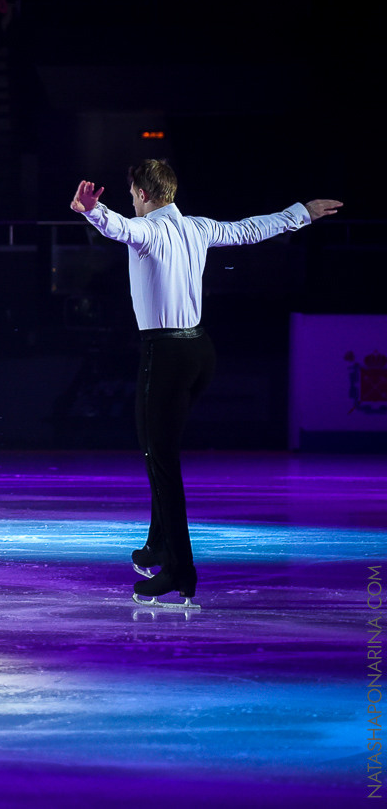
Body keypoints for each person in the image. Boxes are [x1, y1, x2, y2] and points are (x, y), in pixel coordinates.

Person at [70, 160, 340, 608]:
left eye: (132, 194)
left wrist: (90, 212)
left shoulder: (149, 232)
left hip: (166, 355)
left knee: (161, 461)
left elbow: (119, 229)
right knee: (155, 452)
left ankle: (180, 571)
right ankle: (159, 545)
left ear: (140, 193)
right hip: (199, 352)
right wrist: (301, 213)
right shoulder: (196, 228)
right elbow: (249, 229)